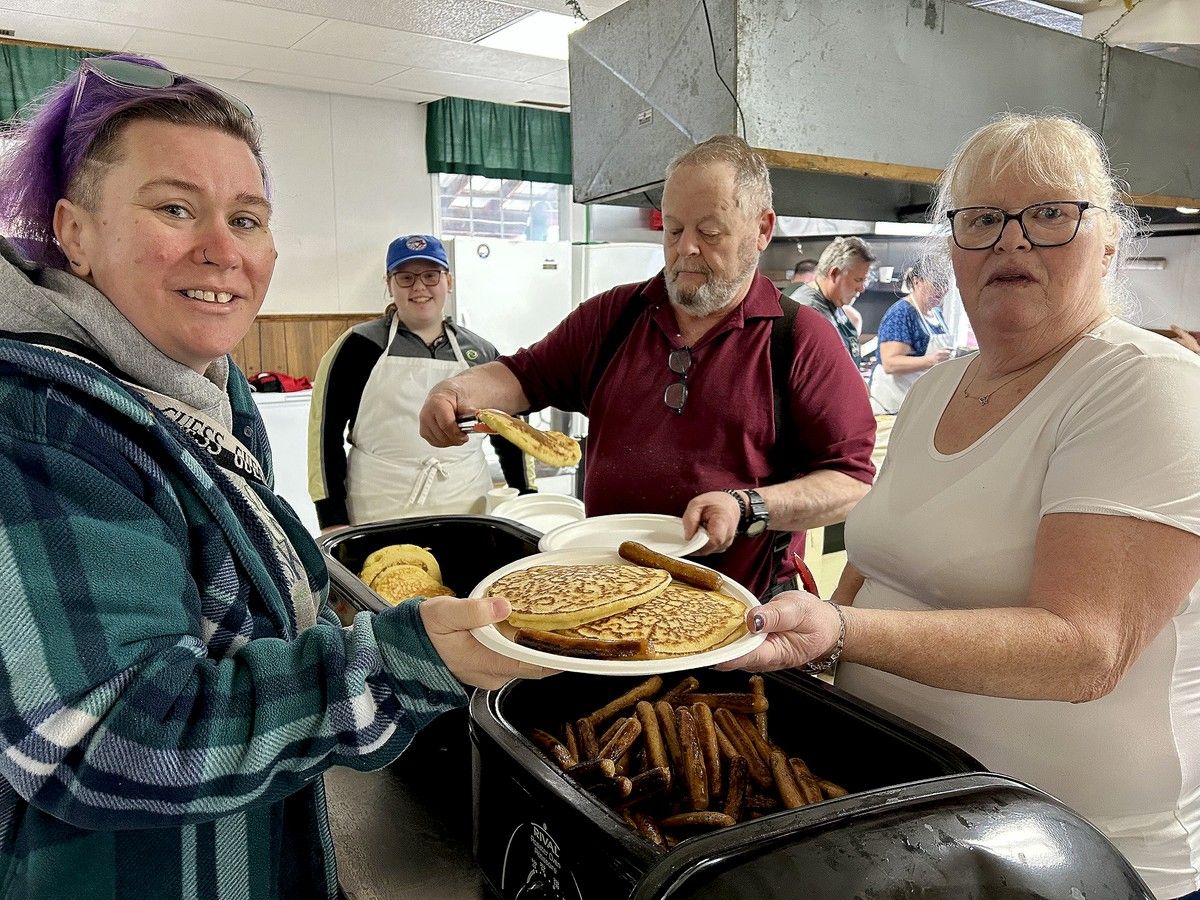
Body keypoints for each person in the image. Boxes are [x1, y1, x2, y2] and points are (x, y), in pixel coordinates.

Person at [0, 54, 550, 900]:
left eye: (248, 218)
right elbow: (102, 734)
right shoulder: (39, 424)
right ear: (73, 232)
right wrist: (399, 660)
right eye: (175, 208)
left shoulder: (198, 382)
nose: (223, 251)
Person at [721, 112, 1200, 900]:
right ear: (952, 247)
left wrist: (841, 631)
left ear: (1109, 241)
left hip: (1076, 854)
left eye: (1050, 213)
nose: (1012, 241)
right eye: (981, 219)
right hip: (905, 815)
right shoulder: (941, 387)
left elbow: (1086, 649)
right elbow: (875, 565)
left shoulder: (1144, 386)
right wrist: (821, 659)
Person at [419, 135, 876, 598]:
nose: (687, 249)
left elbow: (852, 482)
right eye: (674, 230)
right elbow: (523, 375)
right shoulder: (613, 317)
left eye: (710, 232)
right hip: (605, 593)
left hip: (739, 610)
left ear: (762, 228)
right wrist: (454, 393)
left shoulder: (799, 339)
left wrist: (747, 506)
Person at [308, 233, 531, 530]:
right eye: (406, 277)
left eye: (430, 275)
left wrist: (527, 497)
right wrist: (331, 518)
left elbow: (512, 432)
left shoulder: (481, 352)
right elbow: (324, 435)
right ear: (389, 284)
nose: (419, 287)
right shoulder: (357, 346)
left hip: (467, 504)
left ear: (448, 281)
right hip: (380, 506)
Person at [867, 256, 953, 413]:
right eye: (937, 284)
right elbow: (890, 363)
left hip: (915, 400)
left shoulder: (937, 313)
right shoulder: (902, 312)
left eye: (945, 284)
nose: (942, 290)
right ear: (917, 281)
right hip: (893, 402)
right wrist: (931, 360)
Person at [791, 236, 876, 366]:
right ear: (834, 273)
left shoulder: (834, 301)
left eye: (865, 281)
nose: (862, 288)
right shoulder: (810, 311)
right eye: (858, 280)